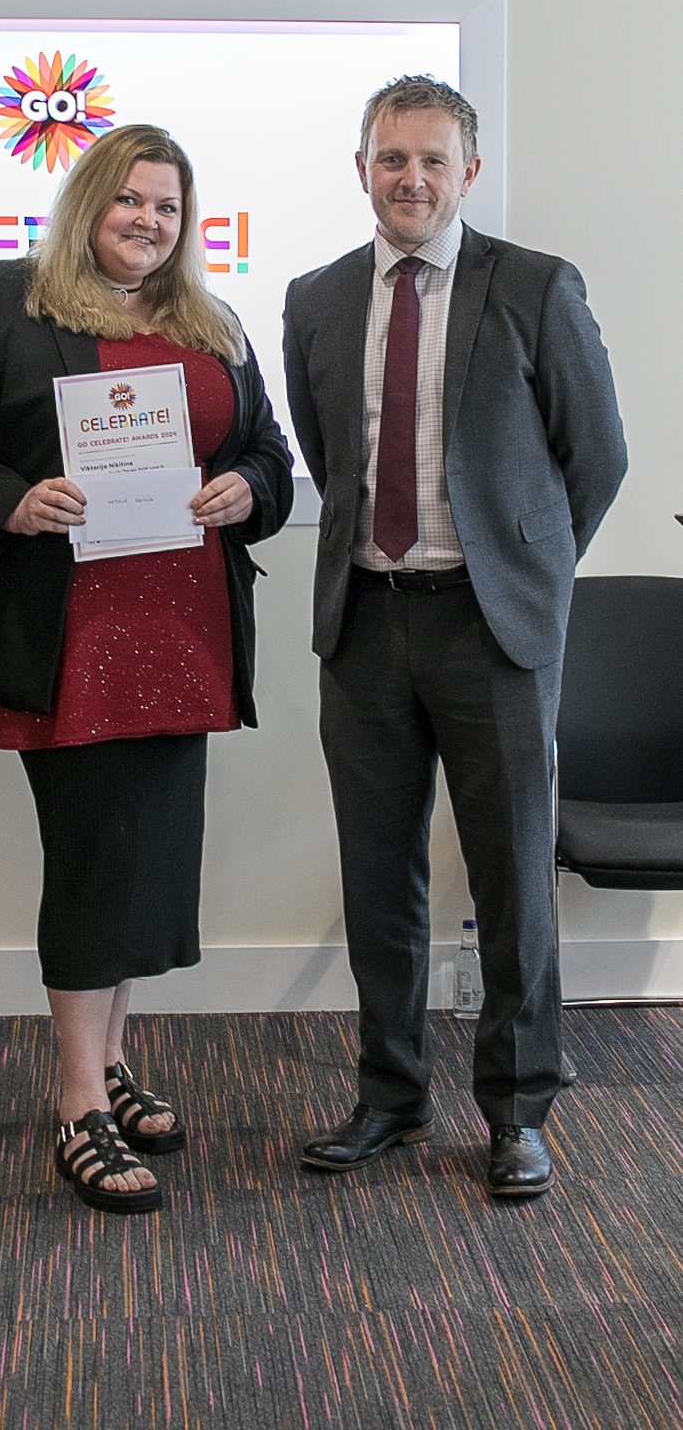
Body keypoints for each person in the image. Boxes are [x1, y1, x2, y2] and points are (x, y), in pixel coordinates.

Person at [0, 123, 293, 1214]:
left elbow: (267, 452)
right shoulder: (7, 300)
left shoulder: (211, 321)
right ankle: (77, 1102)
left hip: (183, 631)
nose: (147, 222)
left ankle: (111, 1063)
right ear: (87, 203)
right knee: (92, 857)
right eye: (129, 200)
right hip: (67, 634)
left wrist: (250, 490)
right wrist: (13, 500)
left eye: (167, 207)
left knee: (145, 860)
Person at [283, 76, 626, 1198]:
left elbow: (597, 454)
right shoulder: (316, 299)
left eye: (433, 160)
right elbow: (329, 457)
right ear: (361, 169)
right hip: (365, 623)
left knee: (514, 874)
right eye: (392, 159)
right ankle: (391, 1096)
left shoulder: (533, 286)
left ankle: (518, 1111)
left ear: (468, 171)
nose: (412, 179)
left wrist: (524, 571)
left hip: (492, 629)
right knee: (377, 877)